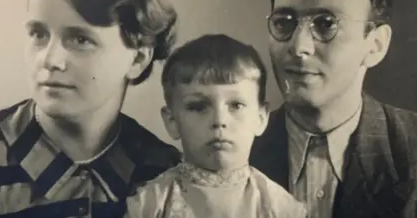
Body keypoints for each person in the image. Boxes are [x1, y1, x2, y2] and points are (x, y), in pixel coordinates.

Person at [0, 0, 181, 217]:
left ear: (139, 59)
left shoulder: (161, 172)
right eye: (38, 34)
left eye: (80, 40)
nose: (50, 60)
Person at [249, 0, 417, 218]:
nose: (299, 46)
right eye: (283, 23)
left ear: (376, 45)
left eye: (326, 25)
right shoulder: (232, 150)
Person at [124, 34, 307, 218]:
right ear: (172, 121)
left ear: (260, 118)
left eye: (236, 105)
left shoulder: (281, 208)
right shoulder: (150, 205)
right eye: (198, 107)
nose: (219, 120)